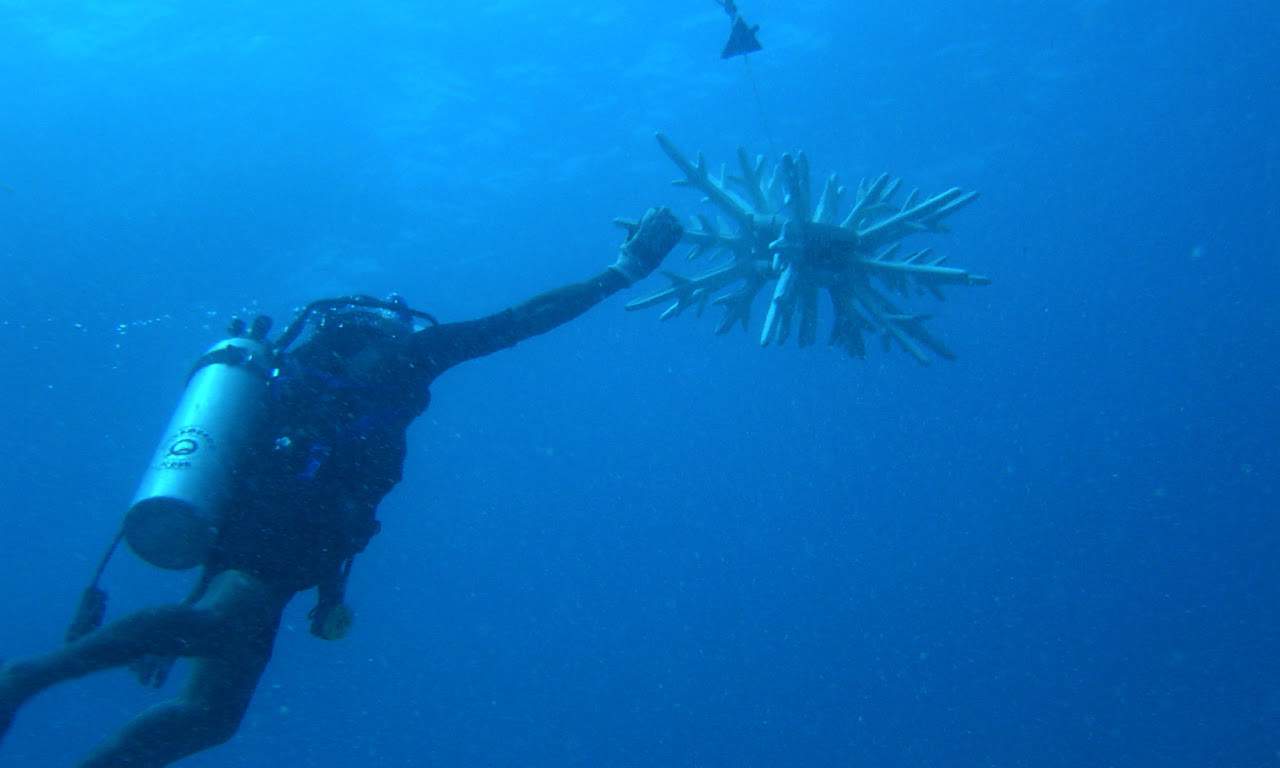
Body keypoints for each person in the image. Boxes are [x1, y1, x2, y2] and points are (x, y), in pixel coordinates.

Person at [0, 207, 684, 767]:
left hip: (285, 540)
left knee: (209, 717)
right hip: (283, 534)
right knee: (215, 626)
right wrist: (622, 272)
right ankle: (28, 677)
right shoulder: (408, 356)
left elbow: (251, 496)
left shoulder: (305, 380)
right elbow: (518, 322)